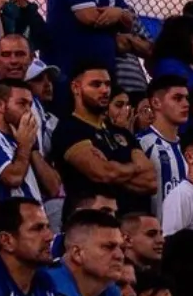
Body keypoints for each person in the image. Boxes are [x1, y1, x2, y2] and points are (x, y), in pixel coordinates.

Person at [47, 63, 156, 206]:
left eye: (107, 84)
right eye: (96, 85)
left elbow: (151, 181)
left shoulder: (121, 132)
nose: (105, 90)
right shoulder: (69, 129)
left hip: (134, 220)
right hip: (95, 219)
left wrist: (113, 171)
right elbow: (102, 173)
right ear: (76, 88)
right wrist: (135, 167)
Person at [0, 80, 46, 203]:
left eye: (30, 105)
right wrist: (25, 146)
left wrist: (32, 147)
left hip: (36, 213)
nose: (29, 111)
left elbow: (53, 187)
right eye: (22, 103)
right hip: (12, 217)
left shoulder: (20, 140)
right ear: (1, 105)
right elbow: (13, 178)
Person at [138, 75, 188, 220]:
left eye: (186, 98)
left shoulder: (188, 148)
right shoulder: (143, 144)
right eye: (178, 98)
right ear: (156, 102)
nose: (186, 104)